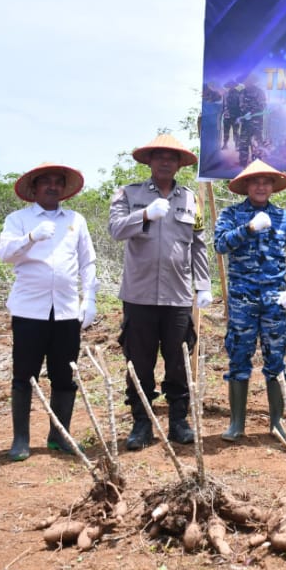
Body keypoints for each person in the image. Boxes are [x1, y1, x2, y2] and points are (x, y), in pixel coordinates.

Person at [108, 134, 212, 451]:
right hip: (138, 296)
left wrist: (204, 285)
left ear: (179, 163)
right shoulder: (128, 194)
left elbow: (198, 244)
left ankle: (178, 421)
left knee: (179, 361)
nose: (166, 161)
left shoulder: (191, 199)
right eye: (159, 156)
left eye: (172, 157)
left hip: (178, 297)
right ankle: (141, 423)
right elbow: (115, 230)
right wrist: (144, 215)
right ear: (150, 161)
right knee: (139, 363)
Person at [0, 162, 98, 461]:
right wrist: (30, 238)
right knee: (24, 375)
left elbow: (87, 261)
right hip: (29, 309)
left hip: (66, 310)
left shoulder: (75, 220)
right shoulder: (19, 220)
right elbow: (4, 254)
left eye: (58, 182)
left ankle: (60, 436)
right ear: (34, 188)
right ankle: (20, 440)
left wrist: (89, 298)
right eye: (46, 182)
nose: (53, 186)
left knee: (64, 376)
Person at [214, 159, 286, 442]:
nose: (261, 186)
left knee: (276, 359)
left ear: (272, 187)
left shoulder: (284, 218)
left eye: (266, 182)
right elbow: (220, 244)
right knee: (239, 358)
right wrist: (248, 229)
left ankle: (277, 423)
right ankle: (236, 424)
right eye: (255, 181)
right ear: (246, 186)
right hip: (242, 300)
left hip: (275, 300)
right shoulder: (231, 215)